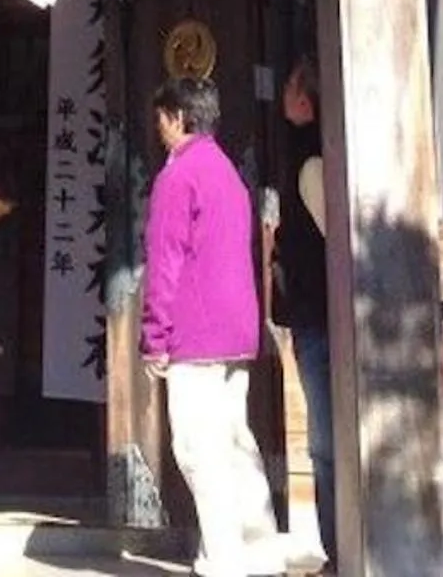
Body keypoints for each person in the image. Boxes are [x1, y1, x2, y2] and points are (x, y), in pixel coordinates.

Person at [143, 75, 288, 577]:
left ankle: (224, 558)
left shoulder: (177, 177)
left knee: (197, 449)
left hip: (194, 332)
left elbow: (165, 261)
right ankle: (260, 546)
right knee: (233, 439)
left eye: (162, 118)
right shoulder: (228, 173)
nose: (159, 129)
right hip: (235, 329)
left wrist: (155, 336)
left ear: (180, 118)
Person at [273, 54, 336, 570]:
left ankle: (338, 541)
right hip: (315, 313)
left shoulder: (312, 163)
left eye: (292, 89)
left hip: (320, 317)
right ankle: (335, 541)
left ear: (305, 101)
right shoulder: (308, 158)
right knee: (324, 440)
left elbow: (330, 241)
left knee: (325, 440)